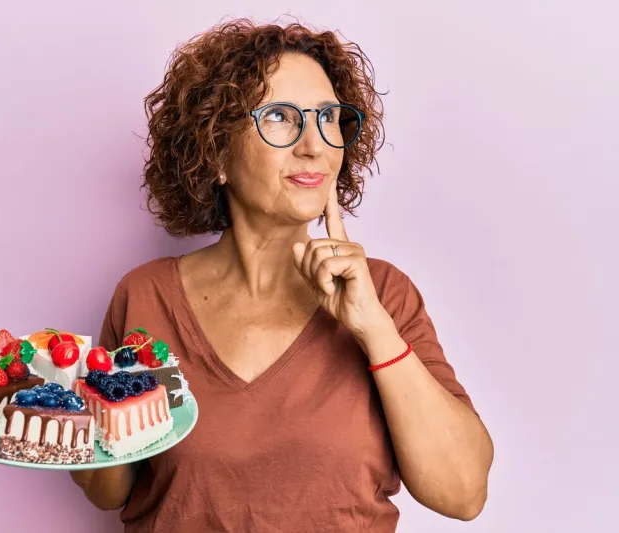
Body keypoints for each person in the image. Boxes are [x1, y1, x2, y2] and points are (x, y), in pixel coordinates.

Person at [70, 18, 494, 532]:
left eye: (328, 118)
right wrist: (81, 401)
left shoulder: (385, 294)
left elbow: (464, 493)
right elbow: (106, 491)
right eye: (279, 117)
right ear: (216, 150)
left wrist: (373, 328)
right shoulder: (145, 297)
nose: (314, 145)